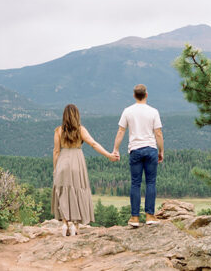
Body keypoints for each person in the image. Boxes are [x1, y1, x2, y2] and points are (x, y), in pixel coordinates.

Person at [53, 103, 118, 236]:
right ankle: (75, 226)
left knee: (64, 192)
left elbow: (56, 151)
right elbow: (93, 144)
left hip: (63, 162)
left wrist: (55, 169)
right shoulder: (81, 130)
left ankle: (65, 223)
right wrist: (109, 155)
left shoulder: (59, 131)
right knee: (78, 191)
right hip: (77, 162)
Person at [112, 83, 164, 227]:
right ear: (146, 95)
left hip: (135, 149)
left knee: (135, 183)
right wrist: (161, 151)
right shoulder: (153, 111)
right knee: (150, 182)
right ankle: (150, 215)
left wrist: (116, 149)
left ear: (134, 95)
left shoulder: (128, 111)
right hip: (151, 149)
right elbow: (158, 133)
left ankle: (135, 218)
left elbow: (121, 131)